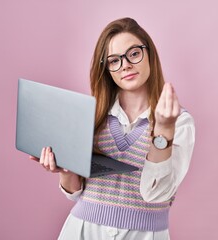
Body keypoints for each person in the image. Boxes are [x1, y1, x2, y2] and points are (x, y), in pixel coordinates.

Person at [30, 17, 195, 240]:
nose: (125, 65)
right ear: (107, 69)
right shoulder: (92, 113)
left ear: (150, 55)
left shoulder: (180, 122)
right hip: (82, 230)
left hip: (144, 234)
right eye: (114, 60)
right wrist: (65, 168)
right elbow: (75, 192)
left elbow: (158, 193)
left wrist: (163, 130)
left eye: (134, 53)